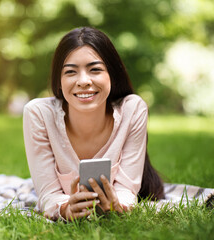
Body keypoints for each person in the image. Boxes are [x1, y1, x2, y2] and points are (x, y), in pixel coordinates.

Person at [23, 27, 164, 221]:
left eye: (95, 69)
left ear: (112, 76)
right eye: (71, 72)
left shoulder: (132, 109)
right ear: (59, 80)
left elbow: (126, 193)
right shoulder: (38, 114)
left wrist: (118, 205)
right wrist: (65, 209)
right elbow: (48, 195)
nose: (83, 81)